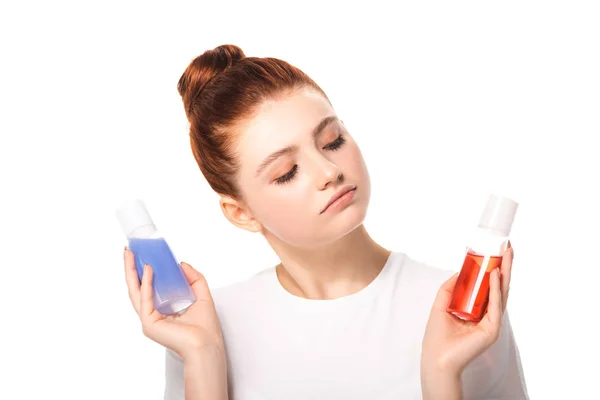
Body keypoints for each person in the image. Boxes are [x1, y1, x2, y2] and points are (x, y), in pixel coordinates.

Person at [123, 44, 529, 400]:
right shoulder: (205, 326)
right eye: (286, 171)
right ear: (240, 213)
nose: (328, 171)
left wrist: (442, 375)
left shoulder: (461, 310)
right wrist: (202, 358)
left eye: (332, 141)